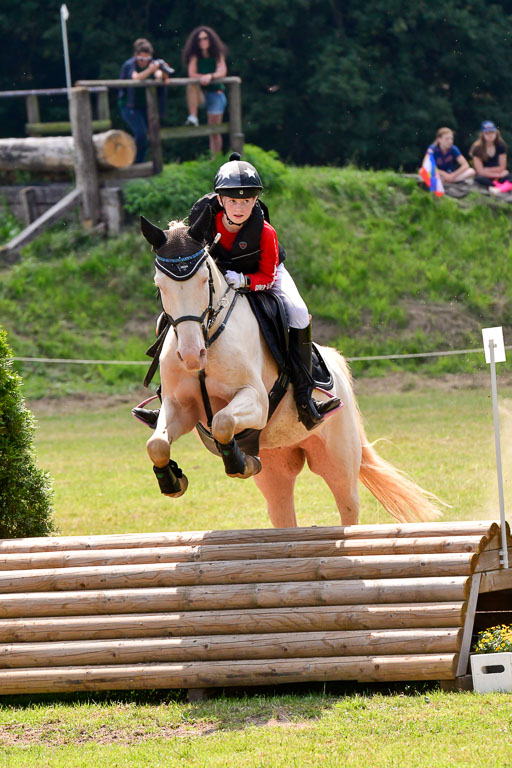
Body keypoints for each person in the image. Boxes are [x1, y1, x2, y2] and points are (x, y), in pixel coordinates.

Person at [133, 153, 340, 432]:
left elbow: (268, 277)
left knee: (298, 312)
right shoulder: (203, 221)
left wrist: (244, 281)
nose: (239, 208)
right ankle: (165, 396)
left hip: (264, 273)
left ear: (255, 201)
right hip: (221, 276)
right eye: (232, 201)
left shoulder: (265, 232)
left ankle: (305, 395)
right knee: (172, 317)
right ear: (220, 200)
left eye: (246, 201)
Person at [118, 38, 172, 164]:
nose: (144, 62)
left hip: (145, 107)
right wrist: (150, 70)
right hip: (128, 105)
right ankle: (134, 161)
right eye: (141, 59)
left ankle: (138, 162)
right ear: (136, 56)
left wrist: (163, 70)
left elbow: (161, 78)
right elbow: (136, 78)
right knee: (141, 133)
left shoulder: (153, 64)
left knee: (145, 136)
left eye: (147, 59)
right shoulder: (130, 65)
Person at [182, 26, 228, 155]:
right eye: (199, 39)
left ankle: (216, 158)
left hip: (216, 93)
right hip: (201, 94)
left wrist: (210, 76)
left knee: (214, 131)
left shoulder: (217, 54)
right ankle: (193, 116)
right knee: (191, 85)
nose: (202, 41)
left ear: (211, 39)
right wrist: (203, 77)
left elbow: (222, 71)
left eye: (205, 38)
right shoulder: (195, 56)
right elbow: (192, 74)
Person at [469, 120, 512, 190]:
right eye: (487, 133)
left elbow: (502, 167)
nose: (490, 135)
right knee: (479, 179)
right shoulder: (477, 149)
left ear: (496, 133)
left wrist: (486, 169)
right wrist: (498, 174)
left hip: (498, 175)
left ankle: (498, 187)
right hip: (487, 177)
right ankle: (499, 186)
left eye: (492, 132)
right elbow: (480, 171)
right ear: (483, 134)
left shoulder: (501, 146)